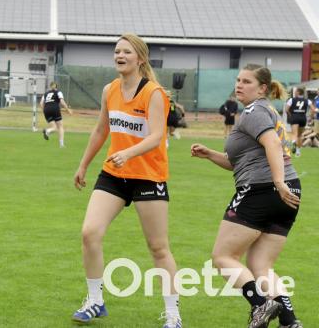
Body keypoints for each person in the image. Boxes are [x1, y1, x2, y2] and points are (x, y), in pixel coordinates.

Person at [71, 33, 181, 327]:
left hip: (148, 177)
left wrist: (129, 153)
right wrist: (83, 165)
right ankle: (95, 300)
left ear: (140, 59)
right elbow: (100, 131)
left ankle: (173, 316)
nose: (119, 56)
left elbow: (157, 135)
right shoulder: (110, 89)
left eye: (126, 52)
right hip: (114, 174)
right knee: (89, 233)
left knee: (158, 248)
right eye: (116, 51)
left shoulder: (153, 93)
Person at [190, 64, 302, 328]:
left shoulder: (255, 110)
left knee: (222, 257)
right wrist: (210, 155)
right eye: (238, 80)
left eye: (246, 81)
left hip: (263, 189)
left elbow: (273, 144)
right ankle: (289, 322)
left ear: (262, 88)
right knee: (260, 264)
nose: (239, 85)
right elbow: (238, 162)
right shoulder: (268, 111)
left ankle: (260, 305)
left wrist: (277, 181)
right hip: (289, 191)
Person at [41, 81, 73, 148]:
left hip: (46, 110)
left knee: (54, 127)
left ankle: (48, 131)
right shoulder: (58, 92)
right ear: (56, 86)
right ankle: (61, 144)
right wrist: (68, 110)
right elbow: (62, 102)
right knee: (60, 126)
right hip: (55, 109)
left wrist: (44, 111)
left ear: (50, 86)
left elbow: (41, 103)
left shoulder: (46, 93)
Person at [283, 87, 312, 157]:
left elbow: (286, 109)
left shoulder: (291, 100)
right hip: (303, 118)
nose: (294, 93)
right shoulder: (307, 100)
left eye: (295, 91)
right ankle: (298, 152)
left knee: (294, 134)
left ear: (298, 92)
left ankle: (293, 143)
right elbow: (313, 109)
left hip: (294, 117)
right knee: (300, 135)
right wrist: (310, 117)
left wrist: (290, 115)